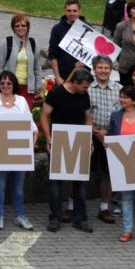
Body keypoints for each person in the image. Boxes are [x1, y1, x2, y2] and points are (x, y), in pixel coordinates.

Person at [41, 67, 94, 233]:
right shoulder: (56, 93)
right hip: (60, 139)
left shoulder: (84, 95)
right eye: (85, 86)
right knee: (56, 182)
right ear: (75, 83)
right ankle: (55, 217)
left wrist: (89, 139)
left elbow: (88, 118)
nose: (87, 89)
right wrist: (49, 138)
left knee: (80, 183)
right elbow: (44, 115)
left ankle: (80, 218)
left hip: (78, 139)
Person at [0, 70, 34, 231]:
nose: (5, 86)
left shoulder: (21, 101)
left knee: (18, 186)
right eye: (2, 83)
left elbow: (30, 121)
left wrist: (34, 135)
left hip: (19, 149)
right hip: (0, 149)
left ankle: (20, 215)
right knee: (0, 184)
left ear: (14, 85)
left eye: (9, 83)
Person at [108, 86, 135, 243]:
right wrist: (108, 144)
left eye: (125, 97)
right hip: (123, 163)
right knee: (126, 199)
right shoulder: (115, 116)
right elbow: (111, 136)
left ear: (134, 100)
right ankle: (127, 230)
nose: (122, 100)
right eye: (121, 96)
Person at [86, 57, 122, 223]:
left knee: (109, 173)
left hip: (110, 136)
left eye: (106, 68)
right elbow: (83, 111)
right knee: (80, 170)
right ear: (94, 69)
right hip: (89, 134)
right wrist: (94, 131)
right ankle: (73, 206)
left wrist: (107, 131)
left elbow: (121, 113)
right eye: (99, 67)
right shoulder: (87, 88)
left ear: (111, 70)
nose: (103, 71)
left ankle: (104, 207)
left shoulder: (119, 89)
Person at [0, 13, 45, 96]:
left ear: (27, 28)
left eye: (23, 25)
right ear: (13, 28)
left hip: (28, 88)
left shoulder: (33, 43)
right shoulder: (6, 42)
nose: (20, 28)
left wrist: (38, 86)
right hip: (9, 87)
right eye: (17, 26)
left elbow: (37, 68)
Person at [47, 0, 86, 81]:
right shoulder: (57, 29)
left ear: (80, 11)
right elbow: (52, 54)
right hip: (62, 76)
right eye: (69, 10)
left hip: (82, 76)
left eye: (75, 11)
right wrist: (57, 77)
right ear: (65, 11)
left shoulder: (89, 30)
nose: (72, 13)